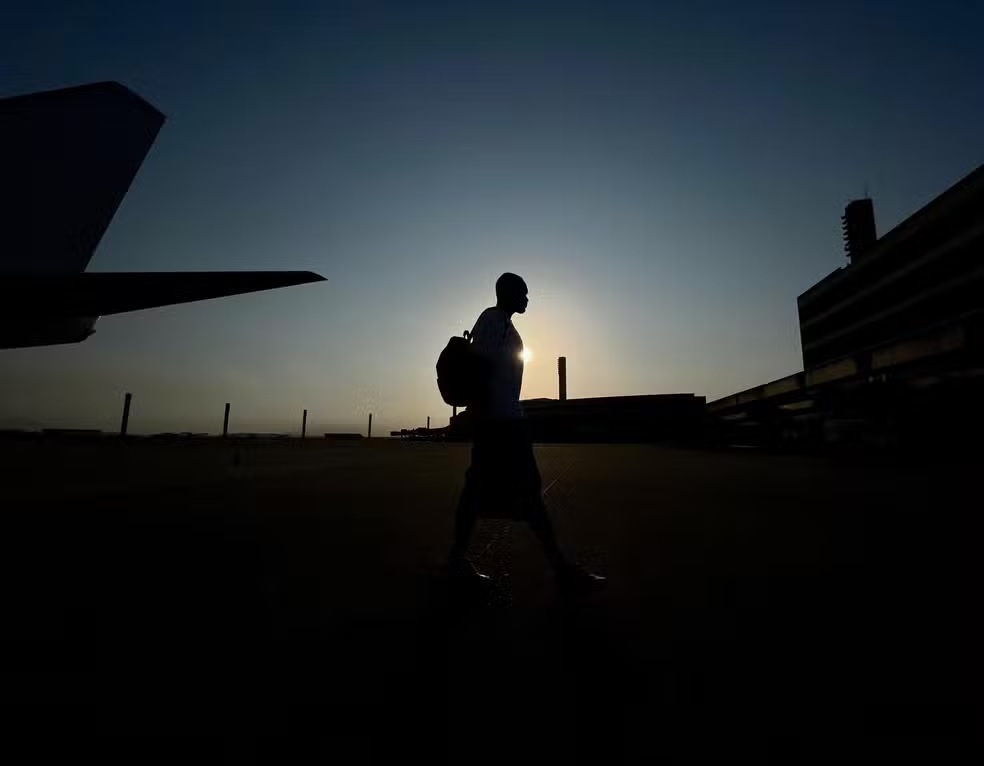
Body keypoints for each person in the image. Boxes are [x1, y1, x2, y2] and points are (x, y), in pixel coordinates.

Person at [448, 272, 605, 594]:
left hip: (501, 421)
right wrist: (486, 418)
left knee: (479, 492)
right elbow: (481, 368)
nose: (527, 299)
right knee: (526, 494)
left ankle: (455, 565)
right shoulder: (494, 321)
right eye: (523, 293)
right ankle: (562, 570)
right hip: (501, 424)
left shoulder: (501, 322)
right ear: (506, 293)